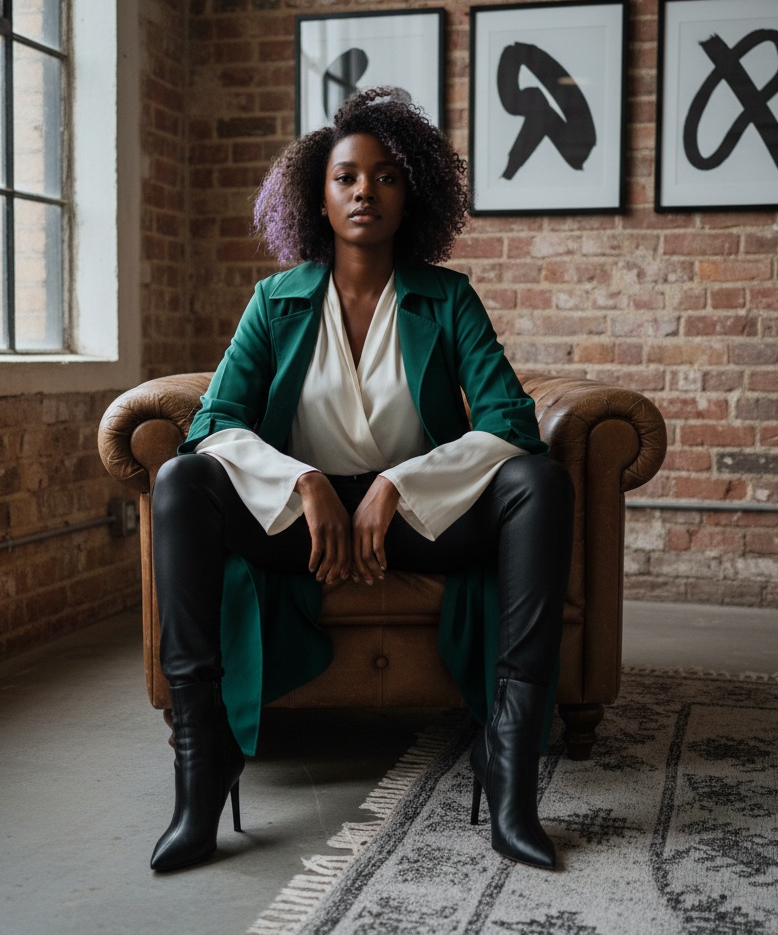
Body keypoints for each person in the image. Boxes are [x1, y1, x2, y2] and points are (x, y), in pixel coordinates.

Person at [149, 88, 574, 873]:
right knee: (180, 481)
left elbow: (512, 424)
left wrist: (399, 486)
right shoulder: (274, 302)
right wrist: (306, 483)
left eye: (385, 177)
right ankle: (201, 767)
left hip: (416, 521)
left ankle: (509, 772)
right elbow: (214, 424)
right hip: (298, 525)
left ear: (412, 194)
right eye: (346, 177)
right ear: (318, 194)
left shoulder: (446, 298)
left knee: (539, 485)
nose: (364, 192)